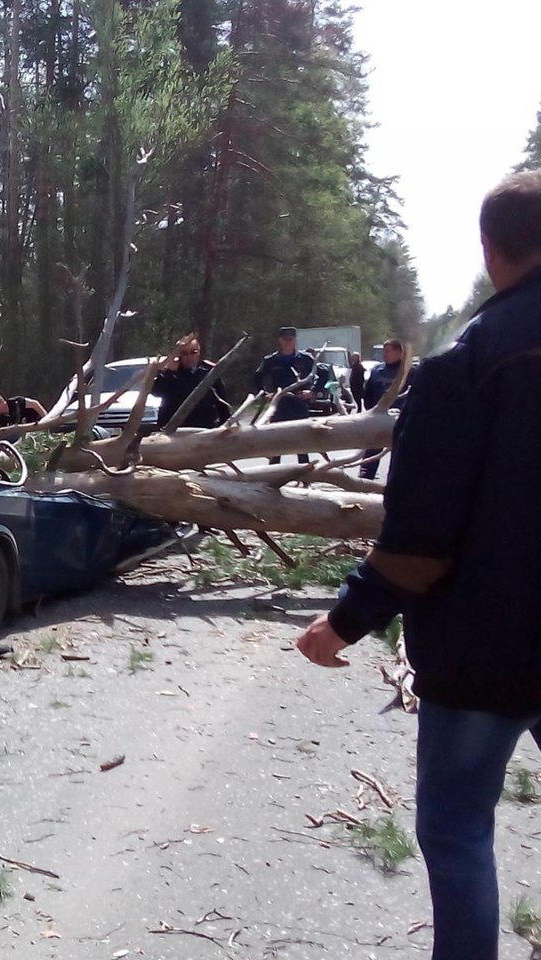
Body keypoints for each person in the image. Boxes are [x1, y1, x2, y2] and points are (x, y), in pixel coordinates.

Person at [296, 170, 541, 960]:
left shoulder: (469, 365)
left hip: (488, 652)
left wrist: (343, 621)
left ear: (491, 250)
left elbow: (421, 541)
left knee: (457, 828)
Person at [252, 326, 315, 463]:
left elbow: (321, 374)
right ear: (280, 340)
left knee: (302, 445)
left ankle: (304, 478)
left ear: (295, 340)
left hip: (299, 405)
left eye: (290, 339)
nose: (288, 342)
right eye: (285, 339)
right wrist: (265, 394)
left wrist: (312, 391)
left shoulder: (305, 359)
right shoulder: (271, 360)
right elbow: (257, 377)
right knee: (276, 444)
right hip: (279, 405)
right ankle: (272, 479)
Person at [151, 334, 230, 428]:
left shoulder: (209, 371)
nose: (189, 356)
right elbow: (156, 392)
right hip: (175, 430)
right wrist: (169, 372)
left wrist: (225, 427)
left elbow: (222, 404)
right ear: (179, 355)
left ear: (199, 352)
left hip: (204, 428)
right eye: (184, 353)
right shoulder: (170, 372)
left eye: (193, 352)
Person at [358, 339, 408, 480]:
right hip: (378, 419)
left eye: (388, 351)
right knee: (372, 453)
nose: (384, 354)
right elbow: (367, 394)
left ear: (399, 353)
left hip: (400, 421)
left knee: (399, 458)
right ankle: (364, 481)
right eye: (383, 351)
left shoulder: (408, 372)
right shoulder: (377, 371)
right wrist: (371, 412)